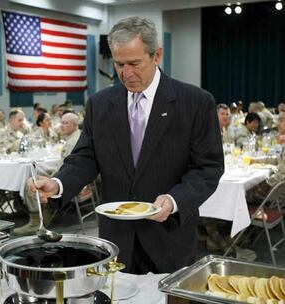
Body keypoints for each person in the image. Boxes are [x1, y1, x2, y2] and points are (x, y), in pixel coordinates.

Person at [30, 16, 224, 274]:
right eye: (119, 64)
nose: (126, 73)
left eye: (134, 63)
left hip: (169, 237)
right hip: (116, 238)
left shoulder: (196, 102)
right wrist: (58, 183)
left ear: (157, 55)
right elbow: (86, 156)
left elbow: (208, 168)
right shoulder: (100, 103)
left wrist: (175, 200)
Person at [14, 113, 82, 236]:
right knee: (36, 174)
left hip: (70, 183)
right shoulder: (76, 137)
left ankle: (37, 222)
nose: (61, 126)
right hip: (74, 178)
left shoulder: (73, 142)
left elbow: (65, 170)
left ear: (75, 125)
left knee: (32, 180)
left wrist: (50, 177)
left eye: (65, 123)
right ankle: (42, 213)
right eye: (62, 122)